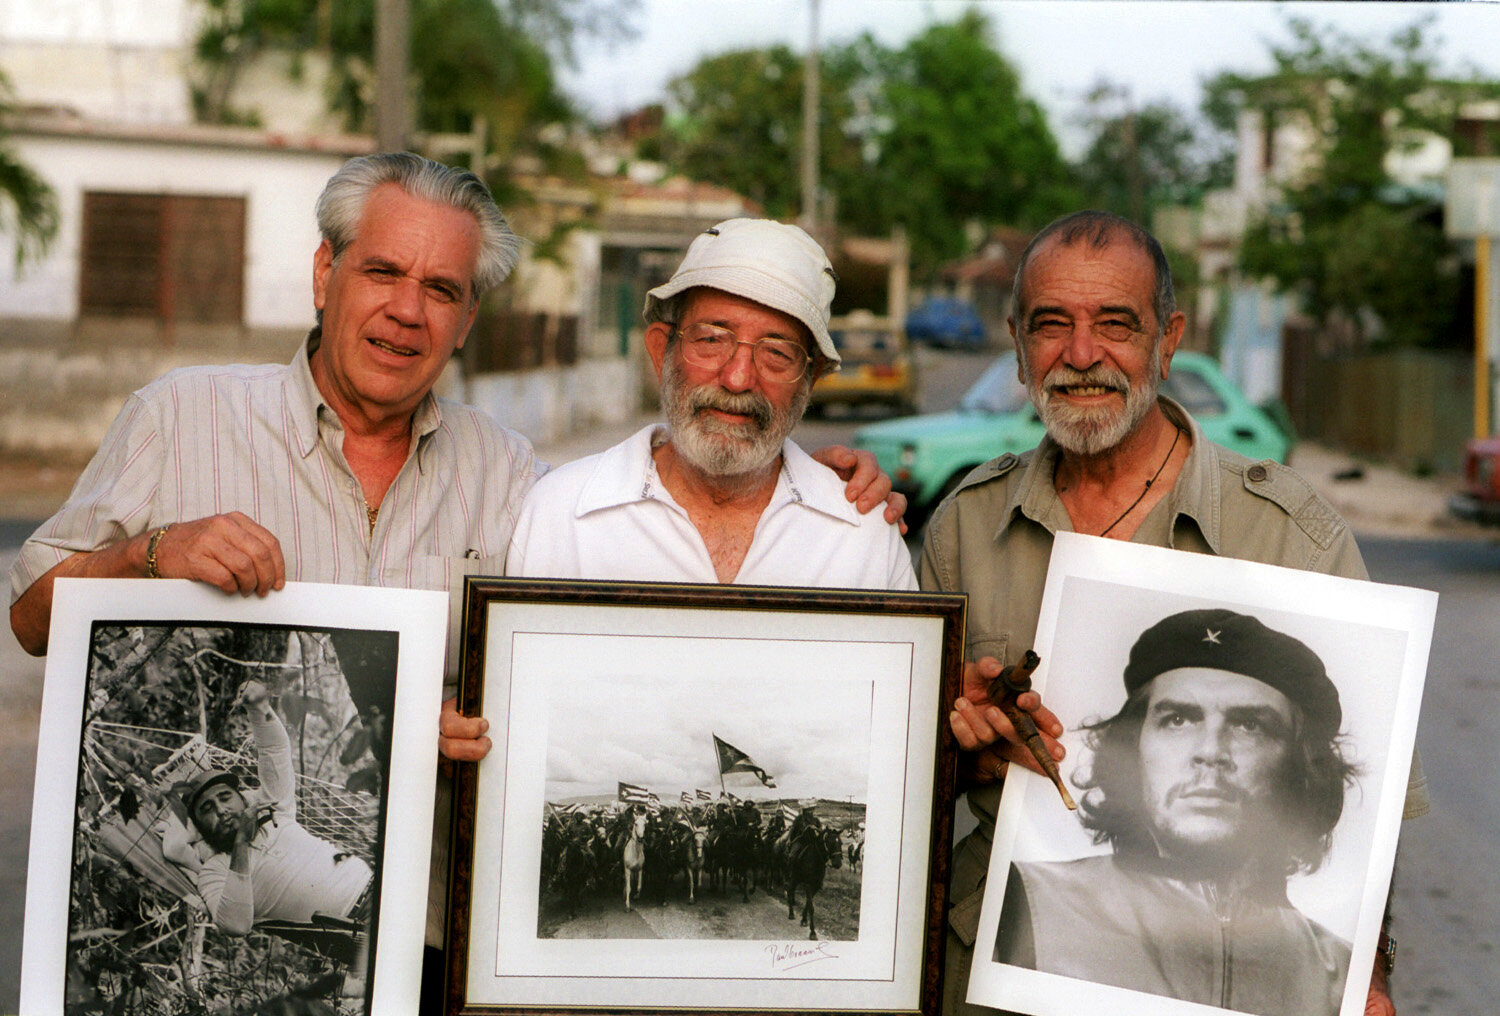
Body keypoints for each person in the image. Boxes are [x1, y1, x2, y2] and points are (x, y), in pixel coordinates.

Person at [8, 153, 898, 1012]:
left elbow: (561, 666)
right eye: (384, 272)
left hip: (439, 939)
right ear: (326, 272)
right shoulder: (182, 415)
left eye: (442, 290)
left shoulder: (512, 477)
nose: (406, 312)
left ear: (469, 318)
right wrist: (150, 552)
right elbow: (36, 617)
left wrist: (820, 482)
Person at [919, 210, 1423, 1016]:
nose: (1082, 356)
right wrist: (971, 756)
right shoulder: (964, 528)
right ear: (1017, 345)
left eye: (1115, 324)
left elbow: (1376, 805)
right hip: (1006, 968)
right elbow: (905, 777)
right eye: (1052, 325)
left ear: (1168, 338)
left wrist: (1370, 969)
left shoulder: (1290, 532)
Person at [507, 217, 916, 590]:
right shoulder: (559, 516)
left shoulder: (863, 535)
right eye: (711, 339)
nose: (738, 378)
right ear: (660, 350)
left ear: (810, 379)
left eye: (776, 352)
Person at [993, 609, 1356, 1016]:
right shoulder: (1023, 903)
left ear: (1301, 766)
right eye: (1179, 719)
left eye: (1249, 725)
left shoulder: (1340, 972)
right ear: (1134, 748)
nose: (1210, 752)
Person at [179, 680, 373, 936]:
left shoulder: (275, 811)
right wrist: (240, 845)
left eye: (225, 797)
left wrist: (258, 708)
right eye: (207, 809)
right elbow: (235, 926)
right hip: (355, 932)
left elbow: (274, 750)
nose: (221, 809)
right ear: (200, 827)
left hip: (377, 887)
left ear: (242, 798)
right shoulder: (214, 871)